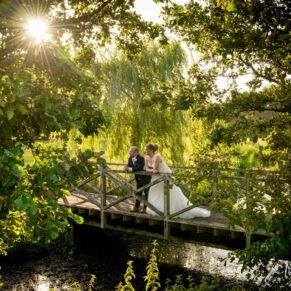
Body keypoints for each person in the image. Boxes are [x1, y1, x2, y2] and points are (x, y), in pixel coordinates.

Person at [145, 143, 211, 219]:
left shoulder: (157, 156)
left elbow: (155, 170)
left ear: (151, 150)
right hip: (156, 177)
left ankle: (170, 211)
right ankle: (157, 210)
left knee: (168, 193)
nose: (145, 151)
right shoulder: (146, 157)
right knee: (155, 192)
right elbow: (147, 169)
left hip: (165, 177)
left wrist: (150, 169)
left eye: (146, 149)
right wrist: (150, 169)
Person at [124, 146, 151, 213]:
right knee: (138, 193)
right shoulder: (130, 158)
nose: (129, 152)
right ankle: (136, 208)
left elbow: (139, 167)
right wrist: (126, 168)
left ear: (136, 152)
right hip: (138, 179)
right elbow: (130, 166)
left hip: (145, 178)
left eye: (130, 151)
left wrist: (129, 169)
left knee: (146, 193)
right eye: (129, 151)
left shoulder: (141, 158)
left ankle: (145, 208)